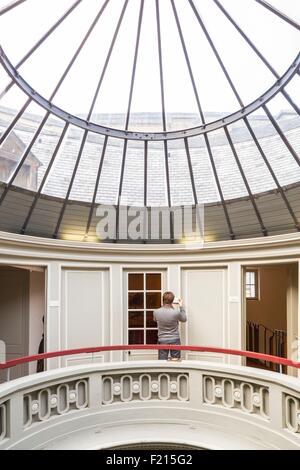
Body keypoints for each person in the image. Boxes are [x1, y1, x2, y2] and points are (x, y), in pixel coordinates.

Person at [153, 291, 187, 361]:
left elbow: (155, 320)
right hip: (175, 339)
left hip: (162, 339)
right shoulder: (176, 312)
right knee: (175, 360)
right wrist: (181, 306)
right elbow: (184, 319)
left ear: (163, 300)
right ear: (172, 301)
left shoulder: (156, 312)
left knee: (162, 361)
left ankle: (162, 372)